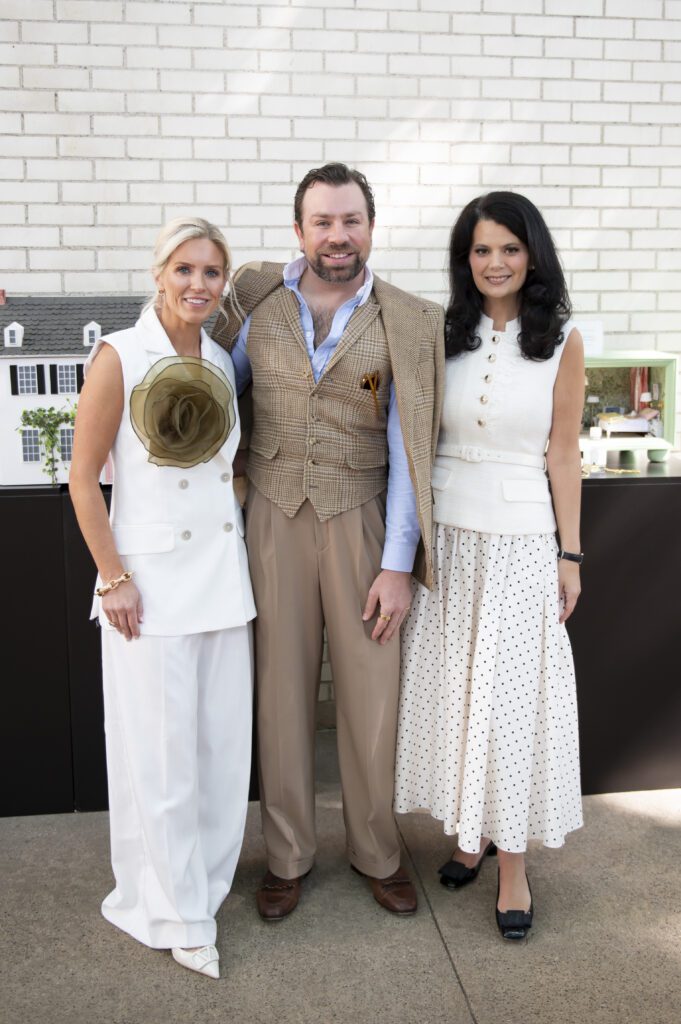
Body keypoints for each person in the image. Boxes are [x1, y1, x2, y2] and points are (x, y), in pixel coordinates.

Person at [214, 162, 444, 919]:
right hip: (273, 517)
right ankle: (286, 855)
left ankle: (377, 850)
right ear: (299, 230)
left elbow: (410, 449)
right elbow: (216, 392)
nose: (337, 235)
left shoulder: (408, 320)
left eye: (350, 220)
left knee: (370, 695)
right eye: (322, 221)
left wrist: (397, 565)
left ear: (370, 228)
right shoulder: (252, 302)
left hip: (364, 517)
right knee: (278, 692)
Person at [394, 192, 584, 941]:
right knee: (455, 693)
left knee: (508, 705)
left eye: (508, 247)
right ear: (463, 259)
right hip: (445, 541)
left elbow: (562, 452)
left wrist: (569, 553)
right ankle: (466, 836)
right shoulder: (440, 334)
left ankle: (511, 864)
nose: (494, 262)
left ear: (530, 254)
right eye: (480, 250)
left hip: (518, 539)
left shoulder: (562, 339)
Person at [69, 217, 255, 978]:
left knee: (218, 752)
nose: (198, 285)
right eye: (184, 269)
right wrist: (113, 578)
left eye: (212, 272)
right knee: (162, 755)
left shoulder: (219, 355)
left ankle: (201, 888)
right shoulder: (119, 353)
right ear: (159, 273)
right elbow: (84, 479)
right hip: (147, 587)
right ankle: (173, 910)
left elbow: (226, 473)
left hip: (221, 578)